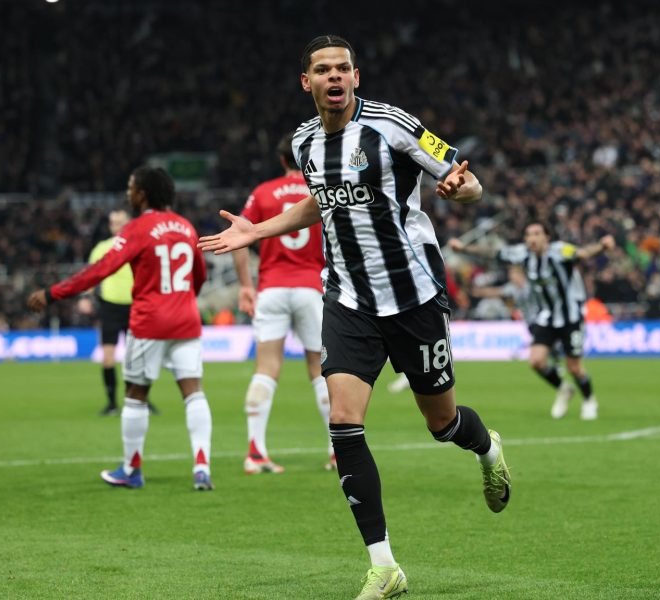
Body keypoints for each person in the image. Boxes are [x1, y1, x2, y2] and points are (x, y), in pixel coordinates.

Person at [199, 35, 511, 600]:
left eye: (343, 68)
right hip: (347, 299)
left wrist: (463, 189)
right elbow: (318, 200)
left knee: (442, 425)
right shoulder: (304, 142)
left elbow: (466, 181)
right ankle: (384, 565)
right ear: (308, 83)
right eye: (323, 70)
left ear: (356, 77)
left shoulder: (394, 125)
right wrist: (258, 230)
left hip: (414, 296)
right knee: (343, 420)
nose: (335, 76)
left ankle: (486, 448)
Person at [28, 166, 214, 491]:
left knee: (136, 395)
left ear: (142, 193)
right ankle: (201, 467)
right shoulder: (186, 226)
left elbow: (100, 270)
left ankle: (131, 469)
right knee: (193, 391)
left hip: (149, 322)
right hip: (186, 320)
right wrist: (181, 302)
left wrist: (52, 293)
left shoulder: (137, 229)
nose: (128, 193)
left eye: (131, 187)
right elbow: (199, 275)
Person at [232, 133, 334, 474]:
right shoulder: (321, 189)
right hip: (310, 289)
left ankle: (255, 452)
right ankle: (338, 451)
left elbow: (238, 238)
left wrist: (247, 286)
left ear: (280, 160)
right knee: (321, 371)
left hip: (272, 289)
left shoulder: (262, 192)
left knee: (266, 368)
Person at [449, 223, 615, 421]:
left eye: (537, 234)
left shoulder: (560, 251)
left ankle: (589, 401)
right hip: (547, 316)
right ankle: (564, 388)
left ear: (547, 237)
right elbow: (493, 253)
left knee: (574, 368)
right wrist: (464, 248)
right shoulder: (522, 254)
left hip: (571, 317)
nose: (531, 239)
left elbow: (583, 254)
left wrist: (602, 247)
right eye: (528, 234)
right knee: (536, 361)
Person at [87, 209, 157, 417]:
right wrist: (85, 297)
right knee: (108, 358)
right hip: (109, 307)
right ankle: (111, 403)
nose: (116, 227)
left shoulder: (140, 244)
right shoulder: (102, 248)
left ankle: (141, 400)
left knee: (138, 358)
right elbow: (91, 275)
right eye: (112, 223)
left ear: (129, 224)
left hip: (136, 306)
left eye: (120, 223)